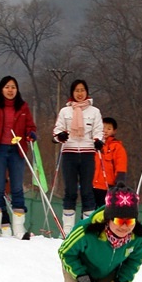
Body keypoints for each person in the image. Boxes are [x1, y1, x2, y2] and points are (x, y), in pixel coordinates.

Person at [0, 75, 37, 239]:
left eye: (13, 87)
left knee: (17, 187)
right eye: (7, 87)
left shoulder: (22, 107)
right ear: (1, 89)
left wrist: (31, 133)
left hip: (17, 149)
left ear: (17, 90)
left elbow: (30, 125)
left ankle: (19, 228)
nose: (10, 90)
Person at [53, 79, 104, 235]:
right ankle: (68, 229)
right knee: (70, 190)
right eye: (76, 91)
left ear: (87, 92)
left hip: (88, 153)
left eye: (82, 90)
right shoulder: (65, 111)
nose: (80, 94)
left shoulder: (94, 111)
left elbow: (98, 130)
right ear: (72, 93)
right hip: (69, 153)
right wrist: (60, 136)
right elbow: (56, 132)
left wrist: (99, 141)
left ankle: (88, 227)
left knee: (88, 191)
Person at [92, 116, 128, 208]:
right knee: (89, 210)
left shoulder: (117, 147)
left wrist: (120, 181)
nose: (105, 131)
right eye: (103, 128)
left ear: (114, 131)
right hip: (92, 185)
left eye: (109, 129)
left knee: (104, 210)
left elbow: (121, 165)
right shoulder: (93, 145)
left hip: (107, 185)